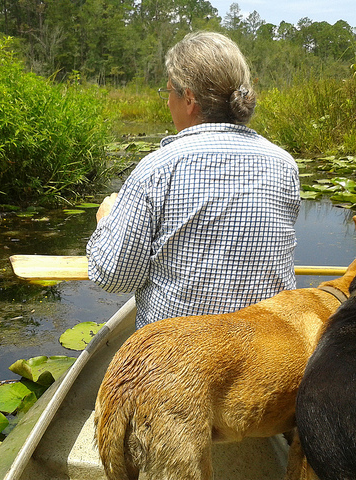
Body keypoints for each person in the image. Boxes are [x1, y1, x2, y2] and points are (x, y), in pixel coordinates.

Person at [86, 31, 300, 329]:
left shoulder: (158, 168)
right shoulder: (284, 164)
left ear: (188, 99)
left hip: (180, 361)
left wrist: (106, 221)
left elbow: (115, 277)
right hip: (264, 355)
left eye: (169, 92)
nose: (167, 103)